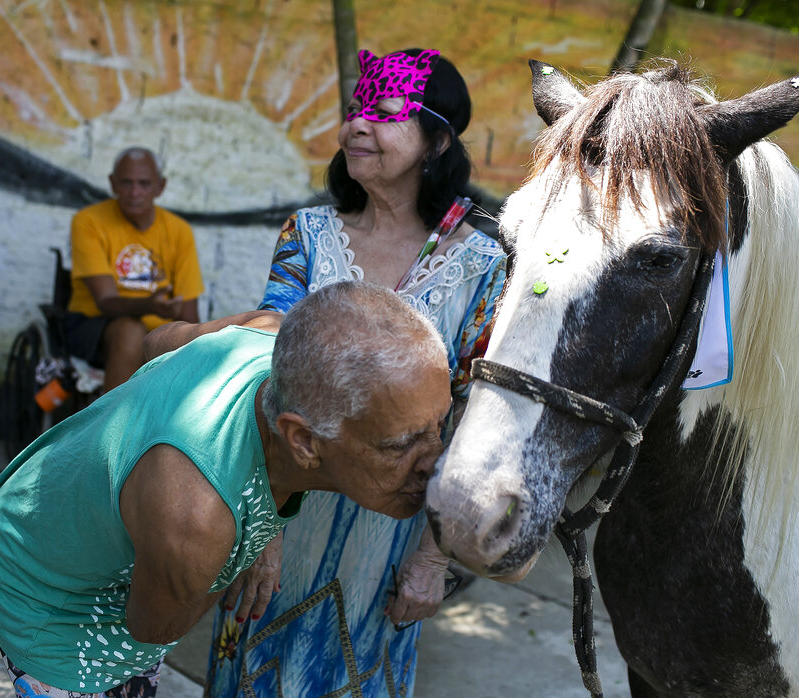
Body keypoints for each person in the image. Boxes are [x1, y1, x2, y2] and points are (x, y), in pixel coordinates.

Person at [0, 280, 452, 698]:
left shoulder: (273, 336)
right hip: (47, 592)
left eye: (440, 423)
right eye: (401, 444)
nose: (436, 461)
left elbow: (157, 341)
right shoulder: (196, 520)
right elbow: (152, 628)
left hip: (67, 517)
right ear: (303, 441)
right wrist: (234, 552)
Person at [205, 48, 507, 697]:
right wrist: (259, 525)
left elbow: (473, 415)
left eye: (386, 111)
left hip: (387, 552)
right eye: (353, 111)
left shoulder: (483, 265)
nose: (357, 126)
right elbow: (263, 371)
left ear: (437, 141)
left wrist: (432, 559)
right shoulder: (308, 235)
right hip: (279, 525)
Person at [65, 146, 204, 391]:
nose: (135, 192)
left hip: (157, 333)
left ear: (160, 187)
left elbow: (189, 315)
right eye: (126, 183)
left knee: (191, 342)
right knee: (131, 331)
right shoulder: (88, 221)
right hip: (95, 327)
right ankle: (112, 426)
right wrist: (149, 306)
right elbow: (106, 301)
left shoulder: (179, 231)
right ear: (112, 184)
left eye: (144, 184)